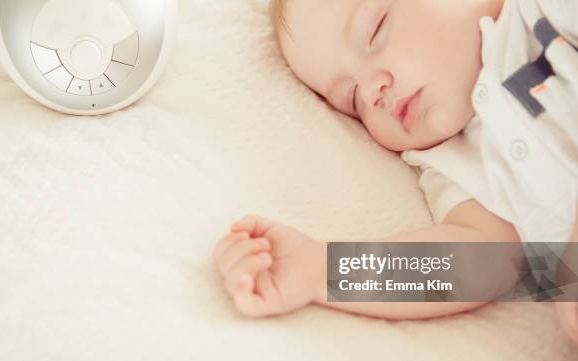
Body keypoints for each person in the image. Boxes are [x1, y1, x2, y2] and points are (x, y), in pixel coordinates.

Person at [212, 0, 578, 343]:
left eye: (375, 31)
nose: (373, 91)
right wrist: (318, 270)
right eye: (352, 99)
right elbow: (475, 263)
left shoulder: (541, 13)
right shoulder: (452, 162)